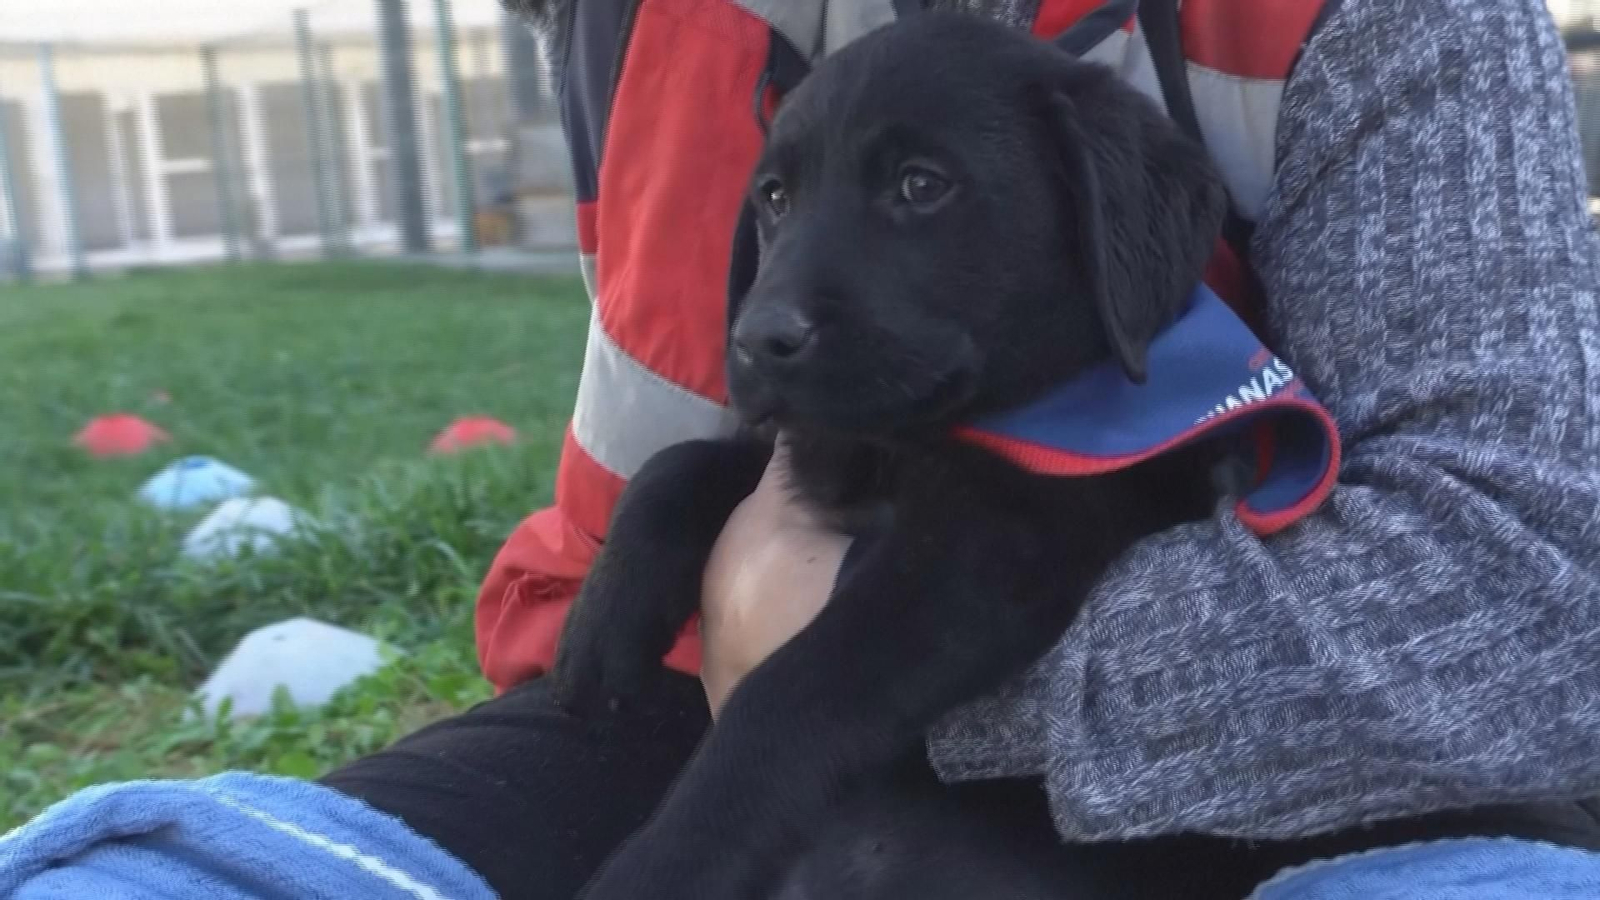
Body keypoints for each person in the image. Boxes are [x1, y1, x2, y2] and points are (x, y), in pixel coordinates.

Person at [5, 0, 1600, 897]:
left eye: (914, 191)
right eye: (781, 206)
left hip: (1327, 792)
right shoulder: (658, 28)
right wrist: (693, 551)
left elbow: (1538, 608)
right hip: (682, 715)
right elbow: (724, 542)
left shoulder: (1378, 35)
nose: (774, 303)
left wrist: (827, 652)